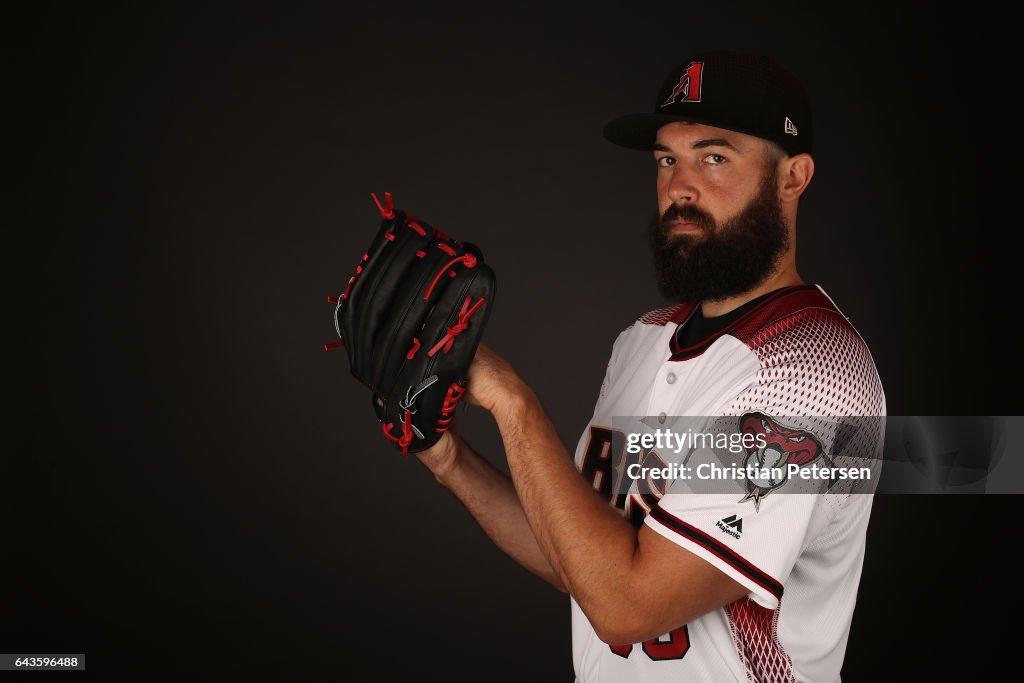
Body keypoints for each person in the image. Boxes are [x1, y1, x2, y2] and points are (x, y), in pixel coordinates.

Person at [416, 50, 886, 682]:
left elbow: (627, 606)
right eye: (668, 159)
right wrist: (450, 460)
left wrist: (513, 403)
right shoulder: (643, 340)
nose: (680, 187)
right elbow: (582, 560)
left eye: (713, 156)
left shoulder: (814, 374)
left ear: (792, 177)